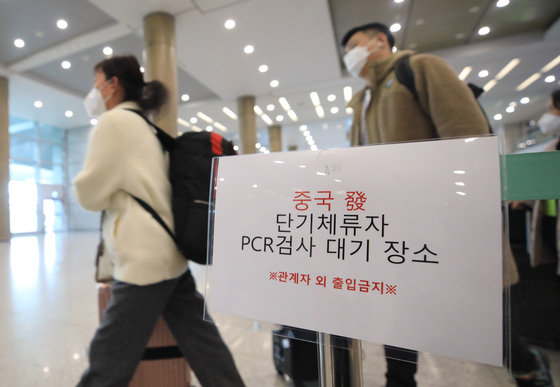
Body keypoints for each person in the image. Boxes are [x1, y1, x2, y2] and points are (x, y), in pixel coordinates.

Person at [73, 55, 245, 387]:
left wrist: (103, 191)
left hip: (144, 261)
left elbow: (89, 194)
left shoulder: (114, 123)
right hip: (168, 253)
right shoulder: (144, 124)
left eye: (96, 83)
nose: (93, 92)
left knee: (109, 356)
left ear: (113, 85)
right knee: (204, 345)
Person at [340, 22, 487, 387]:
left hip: (441, 221)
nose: (350, 56)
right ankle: (400, 380)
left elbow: (468, 137)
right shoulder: (362, 101)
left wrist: (461, 207)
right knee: (399, 310)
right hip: (394, 226)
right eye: (345, 52)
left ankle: (528, 366)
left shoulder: (419, 68)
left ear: (381, 41)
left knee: (482, 309)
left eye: (355, 45)